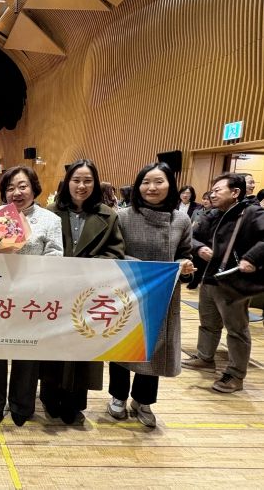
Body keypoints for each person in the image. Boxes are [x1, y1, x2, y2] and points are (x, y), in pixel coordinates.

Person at [107, 162, 195, 428]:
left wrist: (185, 266)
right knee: (122, 344)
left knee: (155, 347)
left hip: (163, 293)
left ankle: (143, 401)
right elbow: (114, 253)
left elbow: (185, 253)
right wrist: (149, 269)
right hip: (127, 290)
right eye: (146, 182)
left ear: (170, 185)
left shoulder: (181, 220)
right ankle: (118, 396)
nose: (151, 187)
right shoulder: (123, 216)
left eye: (159, 182)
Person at [42, 159, 125, 424]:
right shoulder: (50, 212)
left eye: (87, 181)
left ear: (95, 184)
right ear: (67, 183)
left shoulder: (108, 215)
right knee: (53, 345)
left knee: (82, 347)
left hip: (89, 292)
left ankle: (75, 402)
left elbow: (116, 253)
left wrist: (86, 266)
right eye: (76, 180)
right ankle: (49, 396)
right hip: (55, 291)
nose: (81, 186)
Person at [0, 165, 62, 426]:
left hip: (32, 297)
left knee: (27, 353)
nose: (16, 192)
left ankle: (22, 405)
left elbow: (55, 256)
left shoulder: (50, 220)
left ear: (34, 188)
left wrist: (31, 274)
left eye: (22, 186)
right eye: (10, 187)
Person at [181, 173, 264, 393]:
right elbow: (191, 237)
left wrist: (251, 258)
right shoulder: (212, 214)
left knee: (236, 330)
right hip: (210, 278)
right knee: (208, 322)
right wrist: (199, 248)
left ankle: (235, 375)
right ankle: (205, 357)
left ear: (235, 192)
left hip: (234, 281)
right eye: (212, 190)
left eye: (218, 190)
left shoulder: (252, 213)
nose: (213, 194)